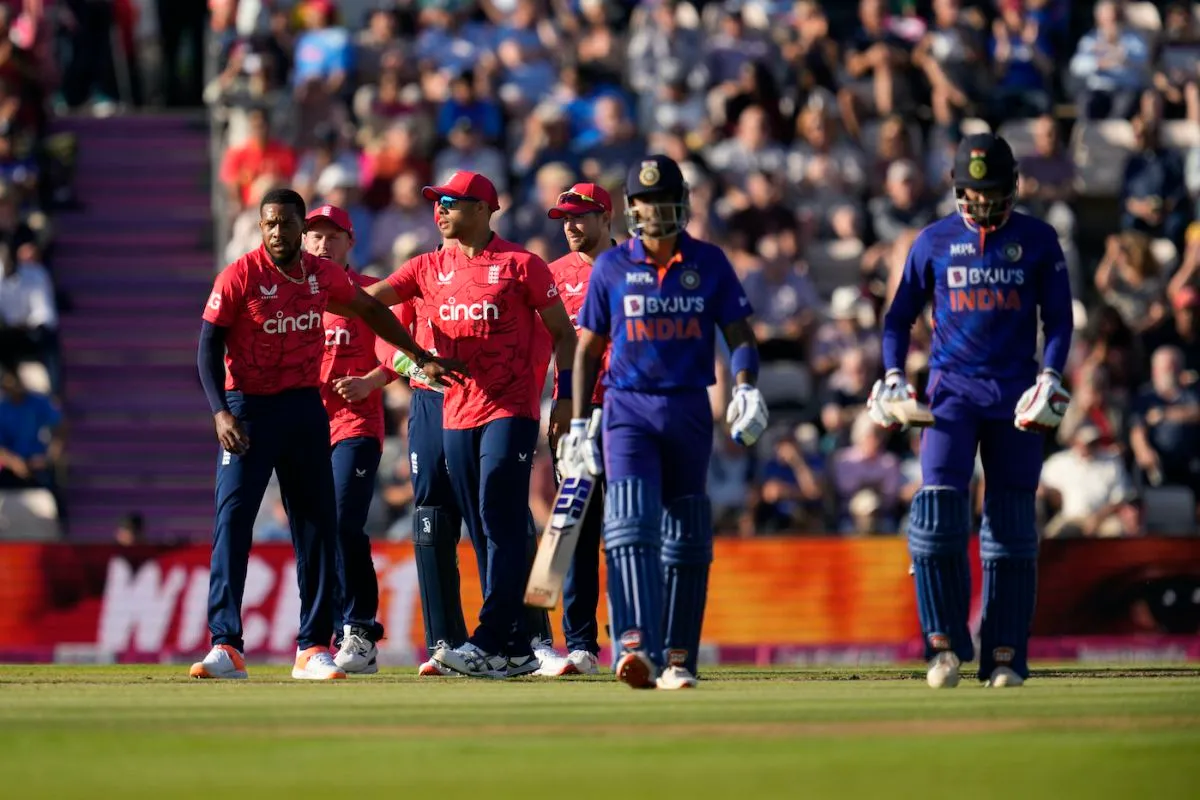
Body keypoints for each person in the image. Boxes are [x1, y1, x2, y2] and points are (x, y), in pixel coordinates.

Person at [192, 188, 463, 681]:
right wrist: (219, 412)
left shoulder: (323, 278)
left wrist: (418, 355)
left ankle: (313, 646)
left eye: (288, 224)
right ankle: (226, 645)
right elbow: (208, 346)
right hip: (247, 408)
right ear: (261, 226)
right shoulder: (240, 275)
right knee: (233, 521)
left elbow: (373, 312)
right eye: (271, 224)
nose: (280, 233)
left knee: (318, 528)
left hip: (303, 408)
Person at [870, 133, 1074, 689]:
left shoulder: (1037, 239)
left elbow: (1058, 320)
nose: (982, 203)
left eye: (992, 192)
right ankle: (943, 646)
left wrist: (1051, 376)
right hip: (950, 395)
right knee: (935, 522)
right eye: (972, 192)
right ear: (957, 189)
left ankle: (1005, 654)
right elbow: (897, 318)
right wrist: (892, 375)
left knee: (1010, 529)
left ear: (1012, 188)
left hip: (1015, 395)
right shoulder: (932, 240)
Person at [559, 155, 768, 690]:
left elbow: (740, 334)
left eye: (664, 200)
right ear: (630, 209)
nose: (655, 211)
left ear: (682, 203)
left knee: (687, 538)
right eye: (645, 202)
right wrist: (581, 424)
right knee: (628, 527)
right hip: (627, 410)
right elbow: (586, 351)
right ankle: (636, 646)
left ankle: (679, 657)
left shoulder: (709, 261)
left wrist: (744, 386)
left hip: (688, 408)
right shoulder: (611, 267)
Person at [367, 171, 577, 679]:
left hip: (511, 408)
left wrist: (565, 399)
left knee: (501, 514)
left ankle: (495, 638)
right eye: (436, 202)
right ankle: (519, 649)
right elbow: (366, 303)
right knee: (482, 525)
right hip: (453, 411)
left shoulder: (522, 265)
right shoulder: (423, 267)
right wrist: (412, 357)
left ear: (484, 208)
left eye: (451, 203)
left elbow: (564, 336)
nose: (439, 210)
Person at [535, 182, 616, 677]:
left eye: (581, 216)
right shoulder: (551, 275)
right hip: (574, 415)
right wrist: (553, 408)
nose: (570, 225)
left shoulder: (632, 264)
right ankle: (581, 645)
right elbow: (538, 349)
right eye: (564, 217)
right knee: (571, 531)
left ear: (607, 218)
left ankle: (635, 635)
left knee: (627, 528)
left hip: (627, 412)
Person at [303, 203, 387, 675]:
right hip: (307, 428)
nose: (322, 244)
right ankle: (326, 634)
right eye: (315, 235)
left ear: (350, 242)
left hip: (356, 425)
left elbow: (399, 354)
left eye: (333, 236)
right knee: (318, 530)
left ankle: (359, 628)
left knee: (342, 521)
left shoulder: (368, 293)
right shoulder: (293, 296)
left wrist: (368, 383)